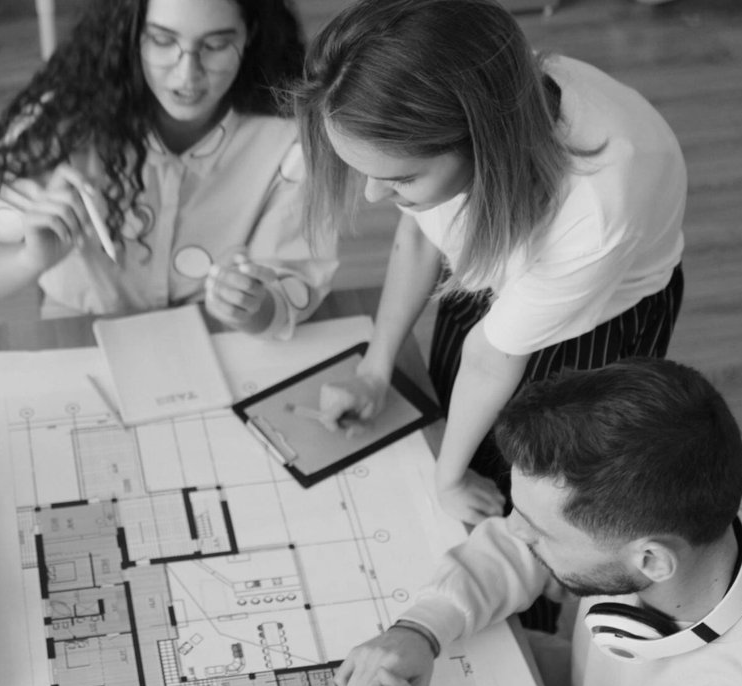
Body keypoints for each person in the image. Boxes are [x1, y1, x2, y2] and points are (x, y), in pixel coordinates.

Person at [293, 0, 687, 524]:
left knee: (542, 484)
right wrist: (374, 369)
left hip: (598, 314)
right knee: (461, 419)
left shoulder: (594, 213)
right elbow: (420, 239)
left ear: (481, 147)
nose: (371, 195)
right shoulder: (466, 87)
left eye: (400, 179)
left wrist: (448, 480)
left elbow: (488, 360)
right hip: (503, 259)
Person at [335, 358, 742, 686]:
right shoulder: (713, 466)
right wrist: (420, 629)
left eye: (540, 532)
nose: (512, 531)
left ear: (651, 562)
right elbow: (522, 540)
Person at [0, 0, 337, 339]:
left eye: (215, 45)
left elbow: (291, 290)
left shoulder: (288, 140)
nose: (187, 76)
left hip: (213, 332)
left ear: (250, 33)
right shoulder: (60, 123)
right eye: (162, 40)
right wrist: (30, 258)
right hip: (80, 327)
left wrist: (252, 307)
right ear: (131, 31)